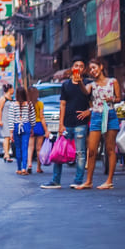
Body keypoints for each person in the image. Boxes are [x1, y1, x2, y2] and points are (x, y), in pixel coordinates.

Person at [42, 59, 91, 189]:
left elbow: (92, 101)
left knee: (80, 153)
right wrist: (61, 124)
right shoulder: (66, 85)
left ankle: (78, 180)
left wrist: (88, 111)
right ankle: (55, 180)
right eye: (76, 66)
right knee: (59, 151)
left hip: (81, 123)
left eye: (81, 66)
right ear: (72, 68)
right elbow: (62, 104)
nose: (78, 68)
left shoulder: (88, 84)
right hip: (67, 123)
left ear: (84, 69)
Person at [74, 57, 121, 190]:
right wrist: (79, 82)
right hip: (96, 115)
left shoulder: (113, 81)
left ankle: (109, 180)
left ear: (101, 67)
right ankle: (88, 180)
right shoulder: (91, 85)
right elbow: (85, 92)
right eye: (90, 69)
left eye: (94, 68)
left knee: (110, 148)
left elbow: (119, 98)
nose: (92, 71)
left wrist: (112, 99)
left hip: (110, 114)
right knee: (92, 149)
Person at [10, 86, 35, 175]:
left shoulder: (13, 105)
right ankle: (24, 168)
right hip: (26, 126)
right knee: (25, 147)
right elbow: (32, 118)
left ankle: (19, 168)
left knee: (18, 148)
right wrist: (32, 127)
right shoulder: (29, 104)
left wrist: (11, 132)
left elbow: (11, 119)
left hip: (17, 126)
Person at [28, 87, 49, 174]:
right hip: (39, 125)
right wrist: (46, 130)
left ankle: (29, 164)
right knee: (39, 148)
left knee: (30, 147)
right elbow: (42, 117)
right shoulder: (40, 103)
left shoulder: (27, 104)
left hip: (30, 125)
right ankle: (38, 167)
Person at [0, 84, 16, 162]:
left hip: (11, 120)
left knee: (10, 138)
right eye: (12, 89)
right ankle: (6, 154)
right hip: (5, 120)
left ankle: (7, 153)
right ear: (10, 89)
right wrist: (0, 120)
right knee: (6, 137)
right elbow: (0, 109)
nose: (13, 90)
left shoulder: (12, 99)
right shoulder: (3, 98)